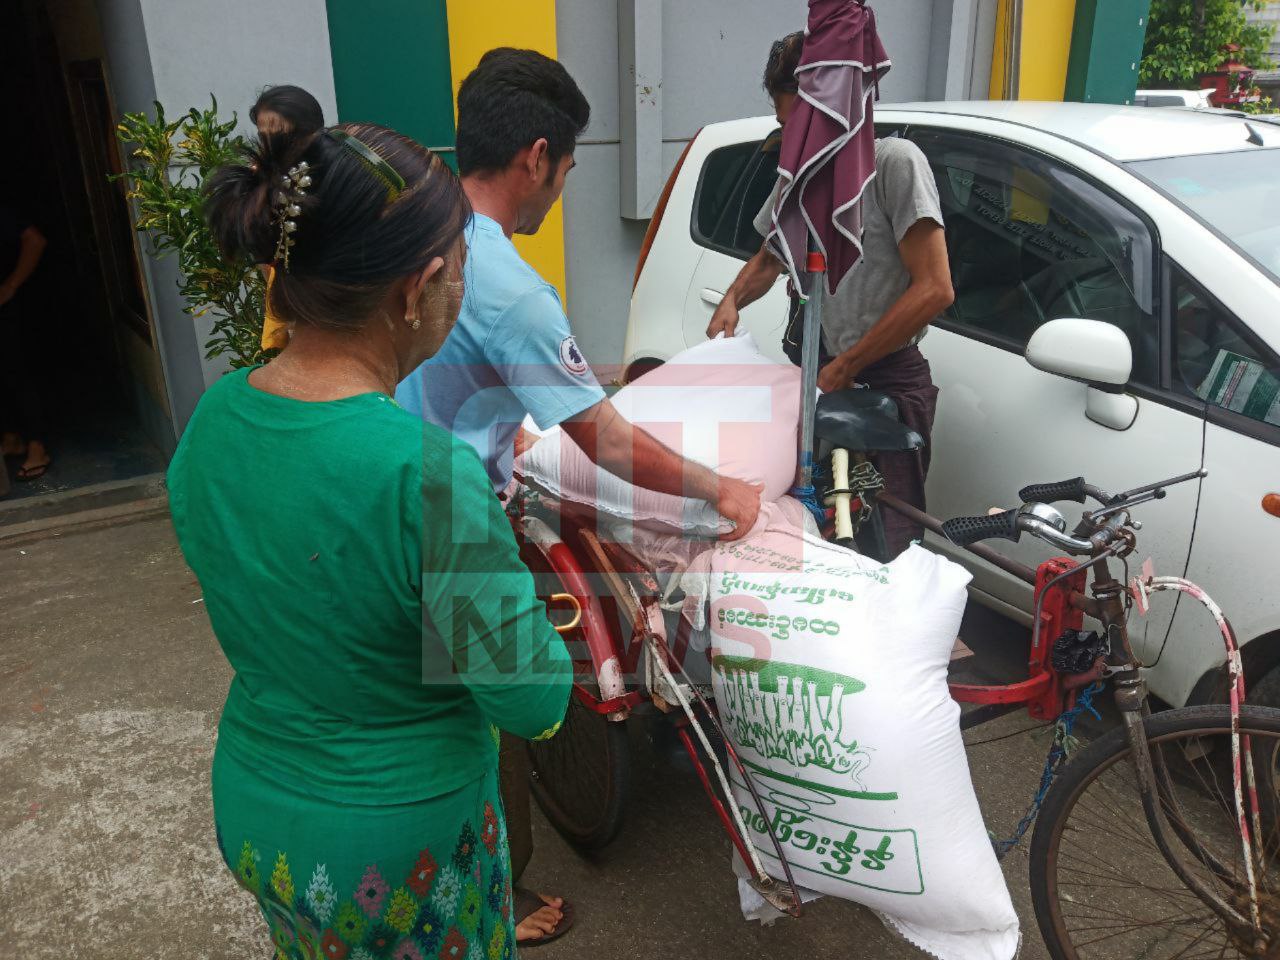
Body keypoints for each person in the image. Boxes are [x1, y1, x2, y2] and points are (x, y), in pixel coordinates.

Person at [170, 116, 571, 959]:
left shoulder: (213, 420)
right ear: (417, 288)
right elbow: (531, 699)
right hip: (400, 856)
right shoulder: (421, 471)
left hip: (257, 814)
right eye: (462, 265)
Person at [394, 47, 762, 945]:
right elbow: (605, 438)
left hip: (393, 482)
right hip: (446, 523)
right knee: (497, 705)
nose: (563, 185)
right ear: (536, 156)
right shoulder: (513, 290)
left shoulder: (413, 225)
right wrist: (724, 491)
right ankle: (501, 890)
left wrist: (496, 425)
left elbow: (450, 377)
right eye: (568, 165)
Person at [708, 31, 954, 558]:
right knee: (820, 528)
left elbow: (935, 288)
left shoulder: (895, 164)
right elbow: (770, 257)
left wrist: (849, 365)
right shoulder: (798, 181)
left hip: (886, 380)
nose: (793, 141)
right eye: (785, 127)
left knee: (889, 541)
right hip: (819, 377)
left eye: (800, 125)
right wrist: (731, 300)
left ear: (837, 111)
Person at [250, 85, 326, 354]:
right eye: (263, 136)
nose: (271, 145)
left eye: (281, 135)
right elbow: (261, 254)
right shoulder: (258, 178)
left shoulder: (336, 174)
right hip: (287, 297)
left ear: (311, 132)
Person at [0, 198, 51, 484]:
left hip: (9, 306)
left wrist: (10, 285)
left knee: (17, 372)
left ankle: (37, 446)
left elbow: (35, 240)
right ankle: (12, 438)